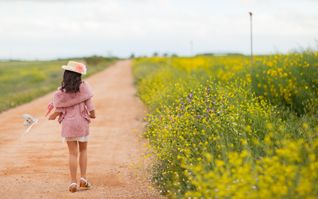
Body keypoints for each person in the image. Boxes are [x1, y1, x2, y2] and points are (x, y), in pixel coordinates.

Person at [48, 61, 96, 192]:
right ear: (79, 75)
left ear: (66, 75)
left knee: (72, 153)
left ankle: (73, 182)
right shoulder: (84, 87)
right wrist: (93, 114)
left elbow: (58, 110)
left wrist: (52, 116)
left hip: (68, 125)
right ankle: (84, 178)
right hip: (82, 123)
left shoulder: (61, 92)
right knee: (83, 151)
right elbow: (90, 106)